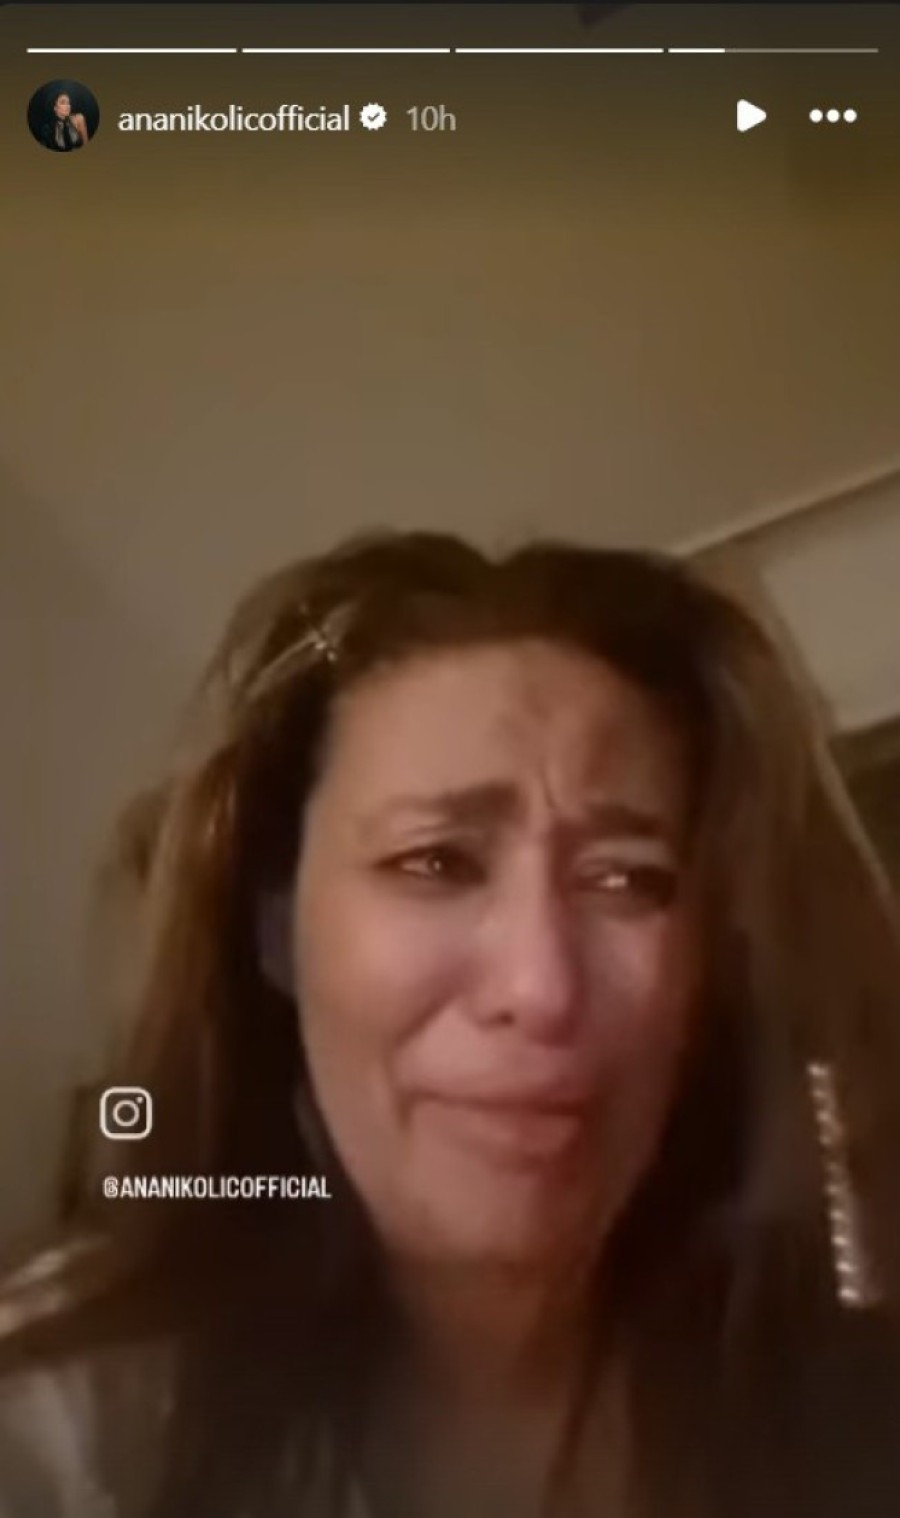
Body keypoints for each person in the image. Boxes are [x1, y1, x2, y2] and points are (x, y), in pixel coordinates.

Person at [0, 530, 898, 1518]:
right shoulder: (73, 1418)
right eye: (435, 862)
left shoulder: (830, 1390)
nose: (542, 987)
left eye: (627, 879)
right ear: (274, 932)